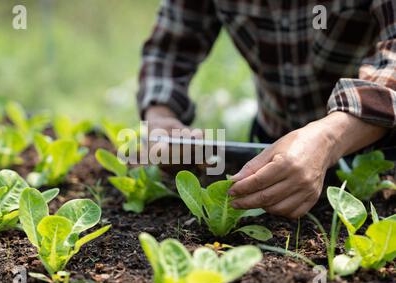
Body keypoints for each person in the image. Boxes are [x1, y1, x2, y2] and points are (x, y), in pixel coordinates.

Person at [137, 0, 396, 219]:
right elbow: (168, 51)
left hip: (377, 150)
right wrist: (161, 118)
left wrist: (328, 137)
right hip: (269, 145)